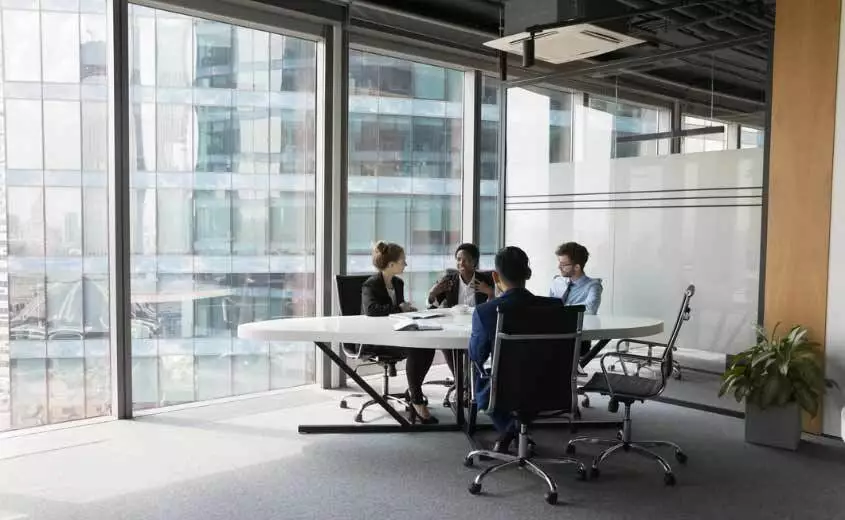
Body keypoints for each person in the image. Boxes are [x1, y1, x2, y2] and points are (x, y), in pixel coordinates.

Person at [469, 246, 554, 453]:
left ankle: (511, 429)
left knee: (479, 373)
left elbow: (477, 355)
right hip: (549, 385)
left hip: (504, 389)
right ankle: (516, 431)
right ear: (528, 274)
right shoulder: (554, 306)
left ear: (495, 276)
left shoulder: (486, 311)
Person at [361, 241, 438, 424]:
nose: (406, 264)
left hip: (396, 334)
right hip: (377, 339)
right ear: (391, 265)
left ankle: (413, 391)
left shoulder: (398, 283)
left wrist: (407, 310)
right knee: (415, 349)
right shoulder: (370, 285)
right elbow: (371, 310)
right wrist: (399, 308)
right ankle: (417, 400)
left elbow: (397, 311)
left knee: (427, 346)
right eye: (403, 261)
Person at [427, 243, 495, 377]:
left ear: (474, 262)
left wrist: (490, 294)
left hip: (477, 327)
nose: (461, 263)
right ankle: (460, 380)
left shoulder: (486, 280)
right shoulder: (448, 280)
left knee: (478, 346)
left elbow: (493, 310)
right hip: (454, 327)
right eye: (458, 259)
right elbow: (431, 308)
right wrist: (432, 294)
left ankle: (471, 379)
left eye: (466, 260)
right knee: (447, 344)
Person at [549, 242, 603, 315]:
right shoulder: (557, 281)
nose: (559, 267)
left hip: (580, 326)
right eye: (559, 263)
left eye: (563, 264)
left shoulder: (593, 286)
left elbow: (590, 310)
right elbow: (549, 308)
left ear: (577, 267)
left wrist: (560, 309)